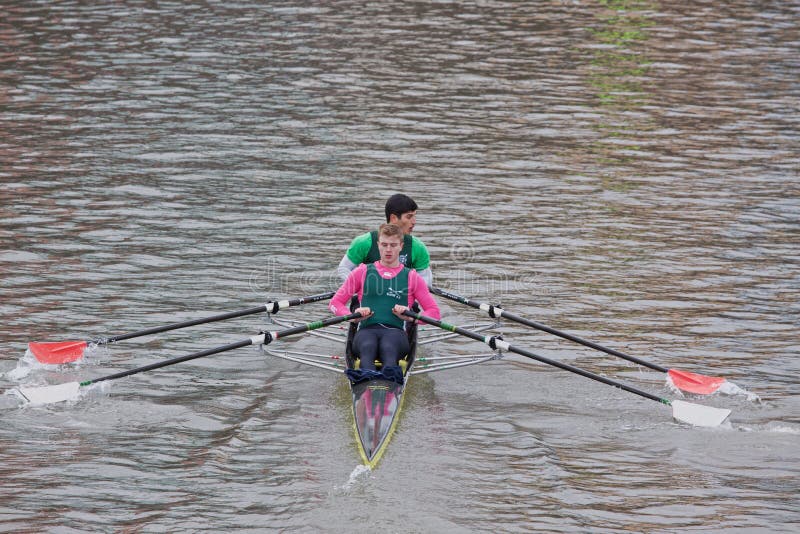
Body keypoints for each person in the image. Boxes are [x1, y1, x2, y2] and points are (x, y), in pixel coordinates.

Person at [330, 223, 441, 381]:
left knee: (388, 347)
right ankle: (366, 383)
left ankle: (387, 383)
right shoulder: (361, 272)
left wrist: (411, 318)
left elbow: (434, 313)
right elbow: (335, 303)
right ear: (378, 245)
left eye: (393, 245)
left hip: (395, 333)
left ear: (401, 246)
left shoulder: (412, 277)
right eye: (384, 245)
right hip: (366, 331)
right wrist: (352, 316)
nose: (388, 250)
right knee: (368, 347)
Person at [336, 194, 433, 286]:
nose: (414, 222)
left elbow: (426, 281)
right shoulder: (364, 242)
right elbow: (343, 269)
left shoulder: (418, 247)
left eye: (414, 216)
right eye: (409, 217)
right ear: (393, 218)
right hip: (366, 298)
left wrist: (409, 291)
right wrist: (361, 287)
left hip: (403, 299)